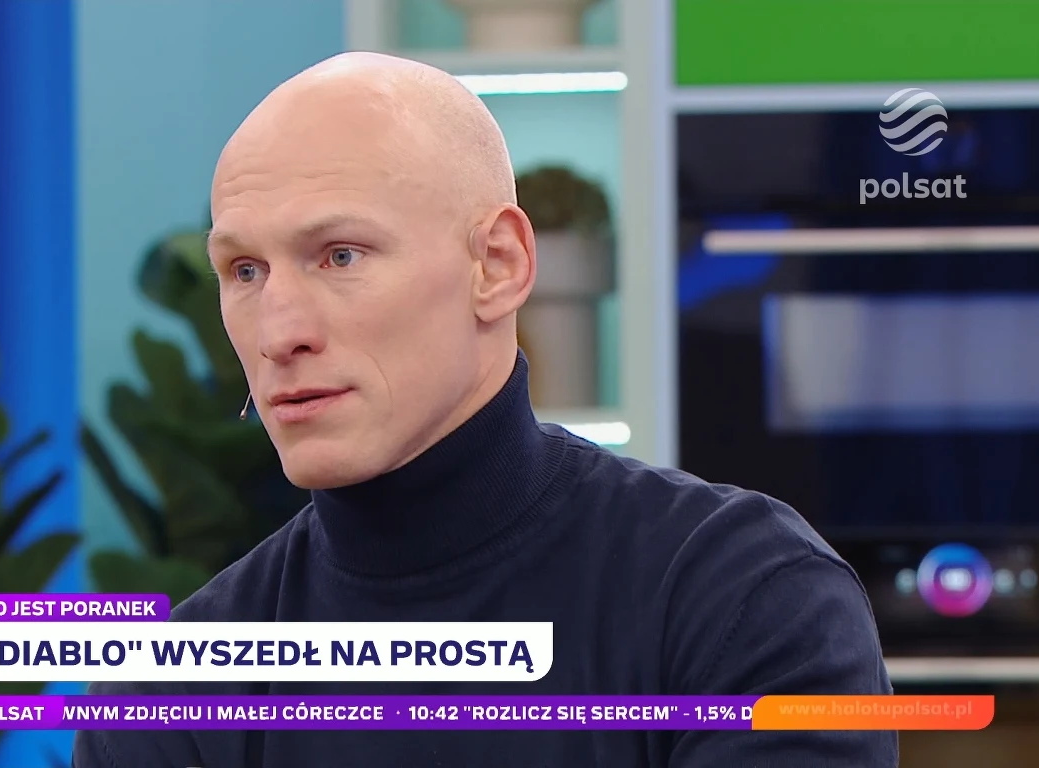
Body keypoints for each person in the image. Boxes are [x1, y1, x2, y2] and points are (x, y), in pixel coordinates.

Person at [73, 51, 897, 768]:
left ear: (497, 265)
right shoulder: (168, 699)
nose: (278, 332)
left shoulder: (744, 599)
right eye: (245, 271)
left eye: (340, 255)